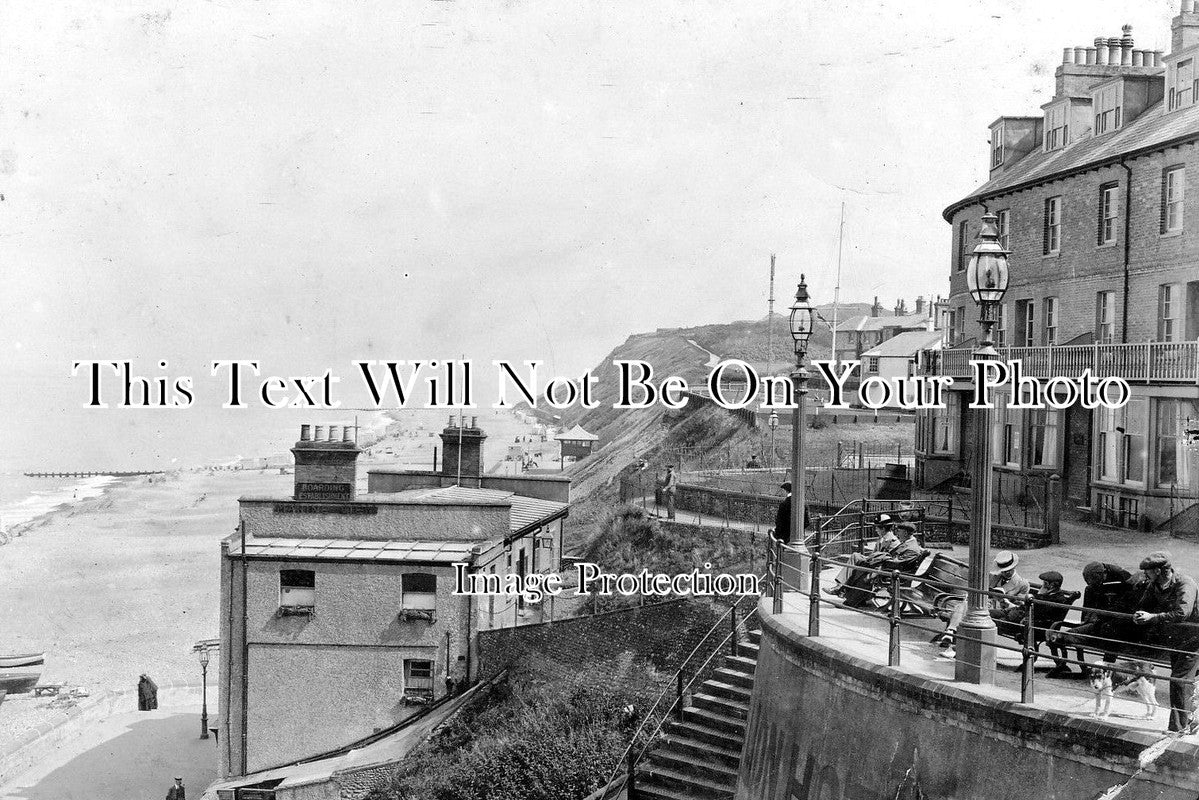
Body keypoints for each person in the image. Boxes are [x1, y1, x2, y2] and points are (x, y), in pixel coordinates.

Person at [1131, 551, 1199, 732]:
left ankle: (1179, 728)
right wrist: (1138, 614)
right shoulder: (1154, 585)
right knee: (1183, 680)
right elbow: (1144, 605)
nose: (1145, 574)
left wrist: (1152, 617)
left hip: (1195, 638)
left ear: (1158, 571)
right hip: (1177, 638)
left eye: (1148, 571)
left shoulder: (1185, 584)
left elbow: (1182, 613)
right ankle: (1190, 719)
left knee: (1179, 680)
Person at [1045, 561, 1141, 675]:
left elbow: (1125, 603)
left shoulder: (1123, 578)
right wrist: (1087, 619)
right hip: (1101, 621)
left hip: (1112, 625)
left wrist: (1103, 615)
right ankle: (1062, 638)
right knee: (1084, 628)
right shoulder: (1094, 579)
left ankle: (1063, 637)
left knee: (1094, 631)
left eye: (1098, 582)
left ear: (1104, 574)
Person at [936, 551, 1030, 655]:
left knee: (969, 612)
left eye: (1008, 570)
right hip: (985, 604)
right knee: (965, 605)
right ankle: (951, 635)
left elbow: (1020, 607)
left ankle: (952, 639)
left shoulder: (1022, 584)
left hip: (1000, 612)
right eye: (1003, 571)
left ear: (1014, 567)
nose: (1005, 573)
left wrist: (1007, 603)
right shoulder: (994, 577)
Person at [993, 571, 1080, 670]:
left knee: (989, 620)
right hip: (1015, 615)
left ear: (1051, 585)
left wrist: (1012, 607)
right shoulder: (1047, 595)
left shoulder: (1055, 599)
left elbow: (1036, 614)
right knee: (989, 614)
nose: (1042, 586)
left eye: (1045, 583)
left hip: (1023, 624)